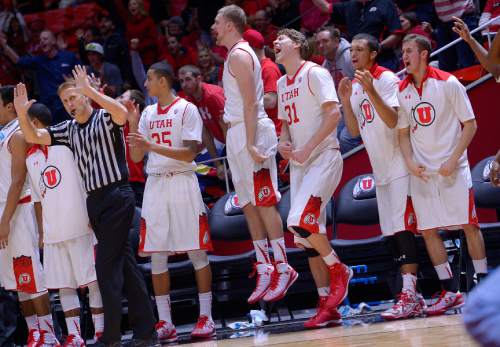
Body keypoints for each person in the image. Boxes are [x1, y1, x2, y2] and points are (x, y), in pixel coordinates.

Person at [14, 66, 158, 346]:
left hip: (118, 195)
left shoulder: (104, 117)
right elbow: (35, 137)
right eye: (66, 100)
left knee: (105, 269)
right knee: (127, 267)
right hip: (95, 201)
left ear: (85, 97)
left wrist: (90, 91)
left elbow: (122, 113)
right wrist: (21, 112)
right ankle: (146, 331)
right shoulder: (68, 130)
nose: (69, 104)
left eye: (73, 97)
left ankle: (111, 336)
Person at [212, 5, 298, 304]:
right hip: (239, 131)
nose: (214, 26)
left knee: (263, 201)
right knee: (248, 203)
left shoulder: (239, 54)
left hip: (252, 131)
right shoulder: (234, 54)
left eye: (218, 22)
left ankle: (283, 265)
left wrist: (249, 142)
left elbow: (251, 102)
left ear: (230, 25)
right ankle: (264, 266)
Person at [398, 34, 488, 316]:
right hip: (423, 173)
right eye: (402, 51)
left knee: (469, 226)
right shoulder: (402, 90)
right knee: (427, 231)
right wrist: (410, 162)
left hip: (453, 168)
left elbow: (470, 124)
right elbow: (402, 134)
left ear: (424, 54)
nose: (404, 56)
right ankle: (450, 291)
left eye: (409, 51)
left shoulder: (448, 83)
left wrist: (453, 159)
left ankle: (483, 288)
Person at [127, 61, 215, 340]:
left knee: (196, 252)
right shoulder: (148, 113)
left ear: (162, 81)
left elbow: (189, 154)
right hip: (155, 184)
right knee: (157, 255)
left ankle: (206, 317)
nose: (146, 84)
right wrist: (132, 125)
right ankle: (165, 322)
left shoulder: (186, 109)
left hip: (182, 181)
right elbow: (138, 158)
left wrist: (151, 146)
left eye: (149, 79)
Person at [337, 33, 422, 320]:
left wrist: (371, 90)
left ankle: (410, 294)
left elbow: (395, 120)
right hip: (380, 168)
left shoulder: (385, 79)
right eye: (351, 51)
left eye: (359, 50)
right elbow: (353, 132)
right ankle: (412, 295)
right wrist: (347, 101)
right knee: (392, 235)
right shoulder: (359, 85)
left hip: (399, 164)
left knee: (403, 231)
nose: (353, 55)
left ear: (373, 53)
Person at [274, 28, 353, 329]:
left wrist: (307, 147)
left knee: (301, 221)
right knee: (306, 238)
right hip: (300, 164)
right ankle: (326, 304)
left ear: (296, 44)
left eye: (279, 40)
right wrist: (283, 144)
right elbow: (285, 125)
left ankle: (339, 269)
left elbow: (334, 114)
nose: (275, 44)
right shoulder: (282, 83)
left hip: (323, 157)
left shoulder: (316, 73)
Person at [19, 101, 104, 346]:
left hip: (81, 225)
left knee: (91, 280)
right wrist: (42, 233)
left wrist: (92, 216)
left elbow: (87, 183)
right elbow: (37, 200)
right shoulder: (29, 159)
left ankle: (99, 332)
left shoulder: (67, 147)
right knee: (64, 286)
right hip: (54, 232)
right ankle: (75, 335)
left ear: (34, 125)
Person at [0, 85, 59, 346]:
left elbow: (17, 180)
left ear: (10, 106)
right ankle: (34, 331)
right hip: (6, 209)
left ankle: (48, 333)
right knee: (19, 278)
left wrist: (4, 221)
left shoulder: (18, 135)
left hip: (19, 210)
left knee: (33, 275)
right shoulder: (3, 133)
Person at [0, 30, 80, 124]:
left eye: (45, 38)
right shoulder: (39, 60)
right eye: (40, 39)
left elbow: (82, 75)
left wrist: (74, 82)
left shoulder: (68, 56)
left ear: (54, 41)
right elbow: (18, 61)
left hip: (67, 104)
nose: (41, 41)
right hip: (48, 108)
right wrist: (5, 46)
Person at [315, 26, 361, 154]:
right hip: (345, 109)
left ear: (336, 42)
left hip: (360, 105)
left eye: (325, 41)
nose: (321, 45)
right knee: (330, 137)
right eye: (318, 43)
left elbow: (363, 82)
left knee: (345, 139)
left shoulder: (349, 56)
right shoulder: (324, 66)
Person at [178, 65, 227, 179]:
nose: (184, 84)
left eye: (188, 79)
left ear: (199, 79)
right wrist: (218, 164)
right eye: (181, 81)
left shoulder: (211, 96)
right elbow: (205, 133)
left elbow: (227, 128)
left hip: (238, 140)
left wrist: (232, 157)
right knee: (221, 174)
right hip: (225, 142)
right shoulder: (190, 100)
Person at [242, 29, 283, 135]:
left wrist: (242, 101)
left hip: (275, 133)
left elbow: (271, 101)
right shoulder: (257, 68)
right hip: (264, 131)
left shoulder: (268, 68)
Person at [116, 89, 147, 205]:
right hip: (119, 183)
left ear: (132, 102)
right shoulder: (118, 122)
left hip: (135, 184)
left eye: (122, 96)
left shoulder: (140, 125)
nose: (117, 99)